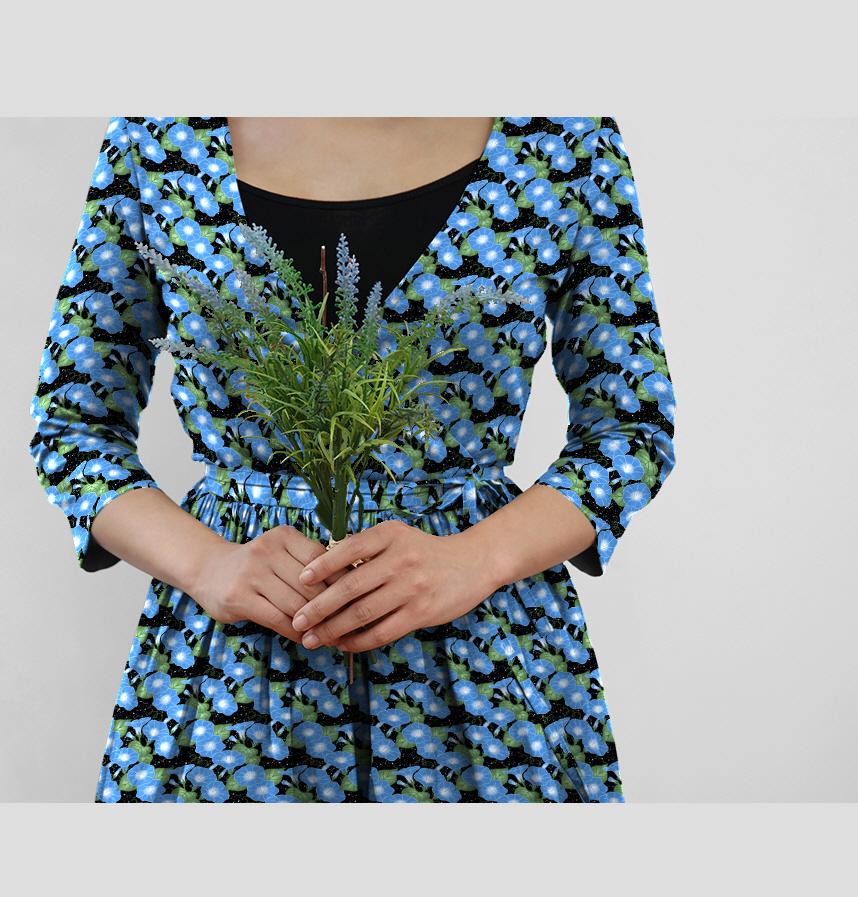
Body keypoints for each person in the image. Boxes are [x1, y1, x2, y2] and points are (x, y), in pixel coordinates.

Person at [27, 115, 677, 803]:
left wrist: (476, 559)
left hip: (484, 669)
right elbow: (72, 424)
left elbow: (630, 426)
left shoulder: (565, 145)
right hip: (229, 676)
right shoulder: (156, 142)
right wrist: (206, 563)